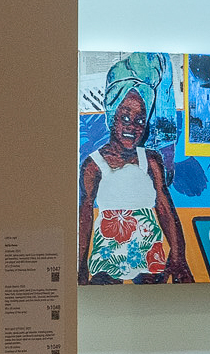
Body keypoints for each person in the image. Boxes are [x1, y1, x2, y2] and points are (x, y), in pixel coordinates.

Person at [79, 65, 191, 284]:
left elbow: (165, 208)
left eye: (140, 120)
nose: (133, 126)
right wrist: (80, 266)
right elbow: (85, 216)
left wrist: (178, 256)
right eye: (125, 118)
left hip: (150, 257)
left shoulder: (151, 161)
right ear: (112, 116)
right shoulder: (94, 165)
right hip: (108, 258)